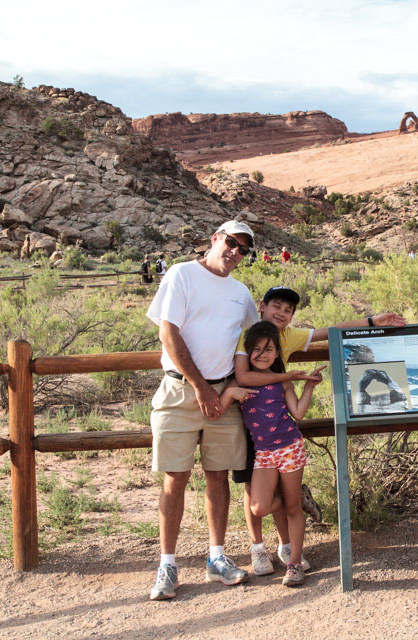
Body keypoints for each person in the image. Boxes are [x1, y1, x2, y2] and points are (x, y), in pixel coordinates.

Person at [233, 286, 406, 576]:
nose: (281, 313)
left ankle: (288, 549)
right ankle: (258, 547)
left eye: (288, 310)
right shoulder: (248, 336)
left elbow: (330, 330)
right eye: (276, 306)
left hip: (281, 428)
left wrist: (372, 321)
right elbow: (242, 375)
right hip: (252, 425)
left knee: (282, 494)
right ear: (262, 306)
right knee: (253, 491)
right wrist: (287, 376)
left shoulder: (289, 336)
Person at [146, 220, 258, 601]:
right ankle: (167, 564)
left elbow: (258, 338)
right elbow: (168, 333)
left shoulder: (241, 293)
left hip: (224, 392)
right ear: (215, 239)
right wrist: (200, 387)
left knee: (217, 475)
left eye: (244, 249)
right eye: (232, 243)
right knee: (174, 477)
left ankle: (216, 557)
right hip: (181, 390)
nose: (236, 252)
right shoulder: (182, 275)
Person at [224, 322, 325, 587]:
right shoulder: (240, 381)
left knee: (292, 510)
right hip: (264, 453)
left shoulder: (283, 381)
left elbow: (298, 413)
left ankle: (294, 565)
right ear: (248, 352)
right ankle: (297, 497)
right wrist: (230, 393)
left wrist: (309, 386)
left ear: (277, 353)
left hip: (290, 448)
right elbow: (220, 407)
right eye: (256, 350)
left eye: (268, 350)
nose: (261, 355)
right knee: (259, 507)